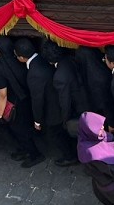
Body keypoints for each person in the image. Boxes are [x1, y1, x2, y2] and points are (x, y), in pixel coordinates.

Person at [19, 37, 75, 166]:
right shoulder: (44, 61)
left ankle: (69, 156)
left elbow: (37, 99)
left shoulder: (34, 73)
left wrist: (37, 120)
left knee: (56, 135)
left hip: (54, 110)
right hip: (60, 103)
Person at [0, 35, 45, 168]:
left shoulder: (0, 68)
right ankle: (26, 150)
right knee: (26, 127)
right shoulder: (20, 59)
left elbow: (2, 95)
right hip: (27, 99)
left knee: (21, 132)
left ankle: (35, 154)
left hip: (15, 105)